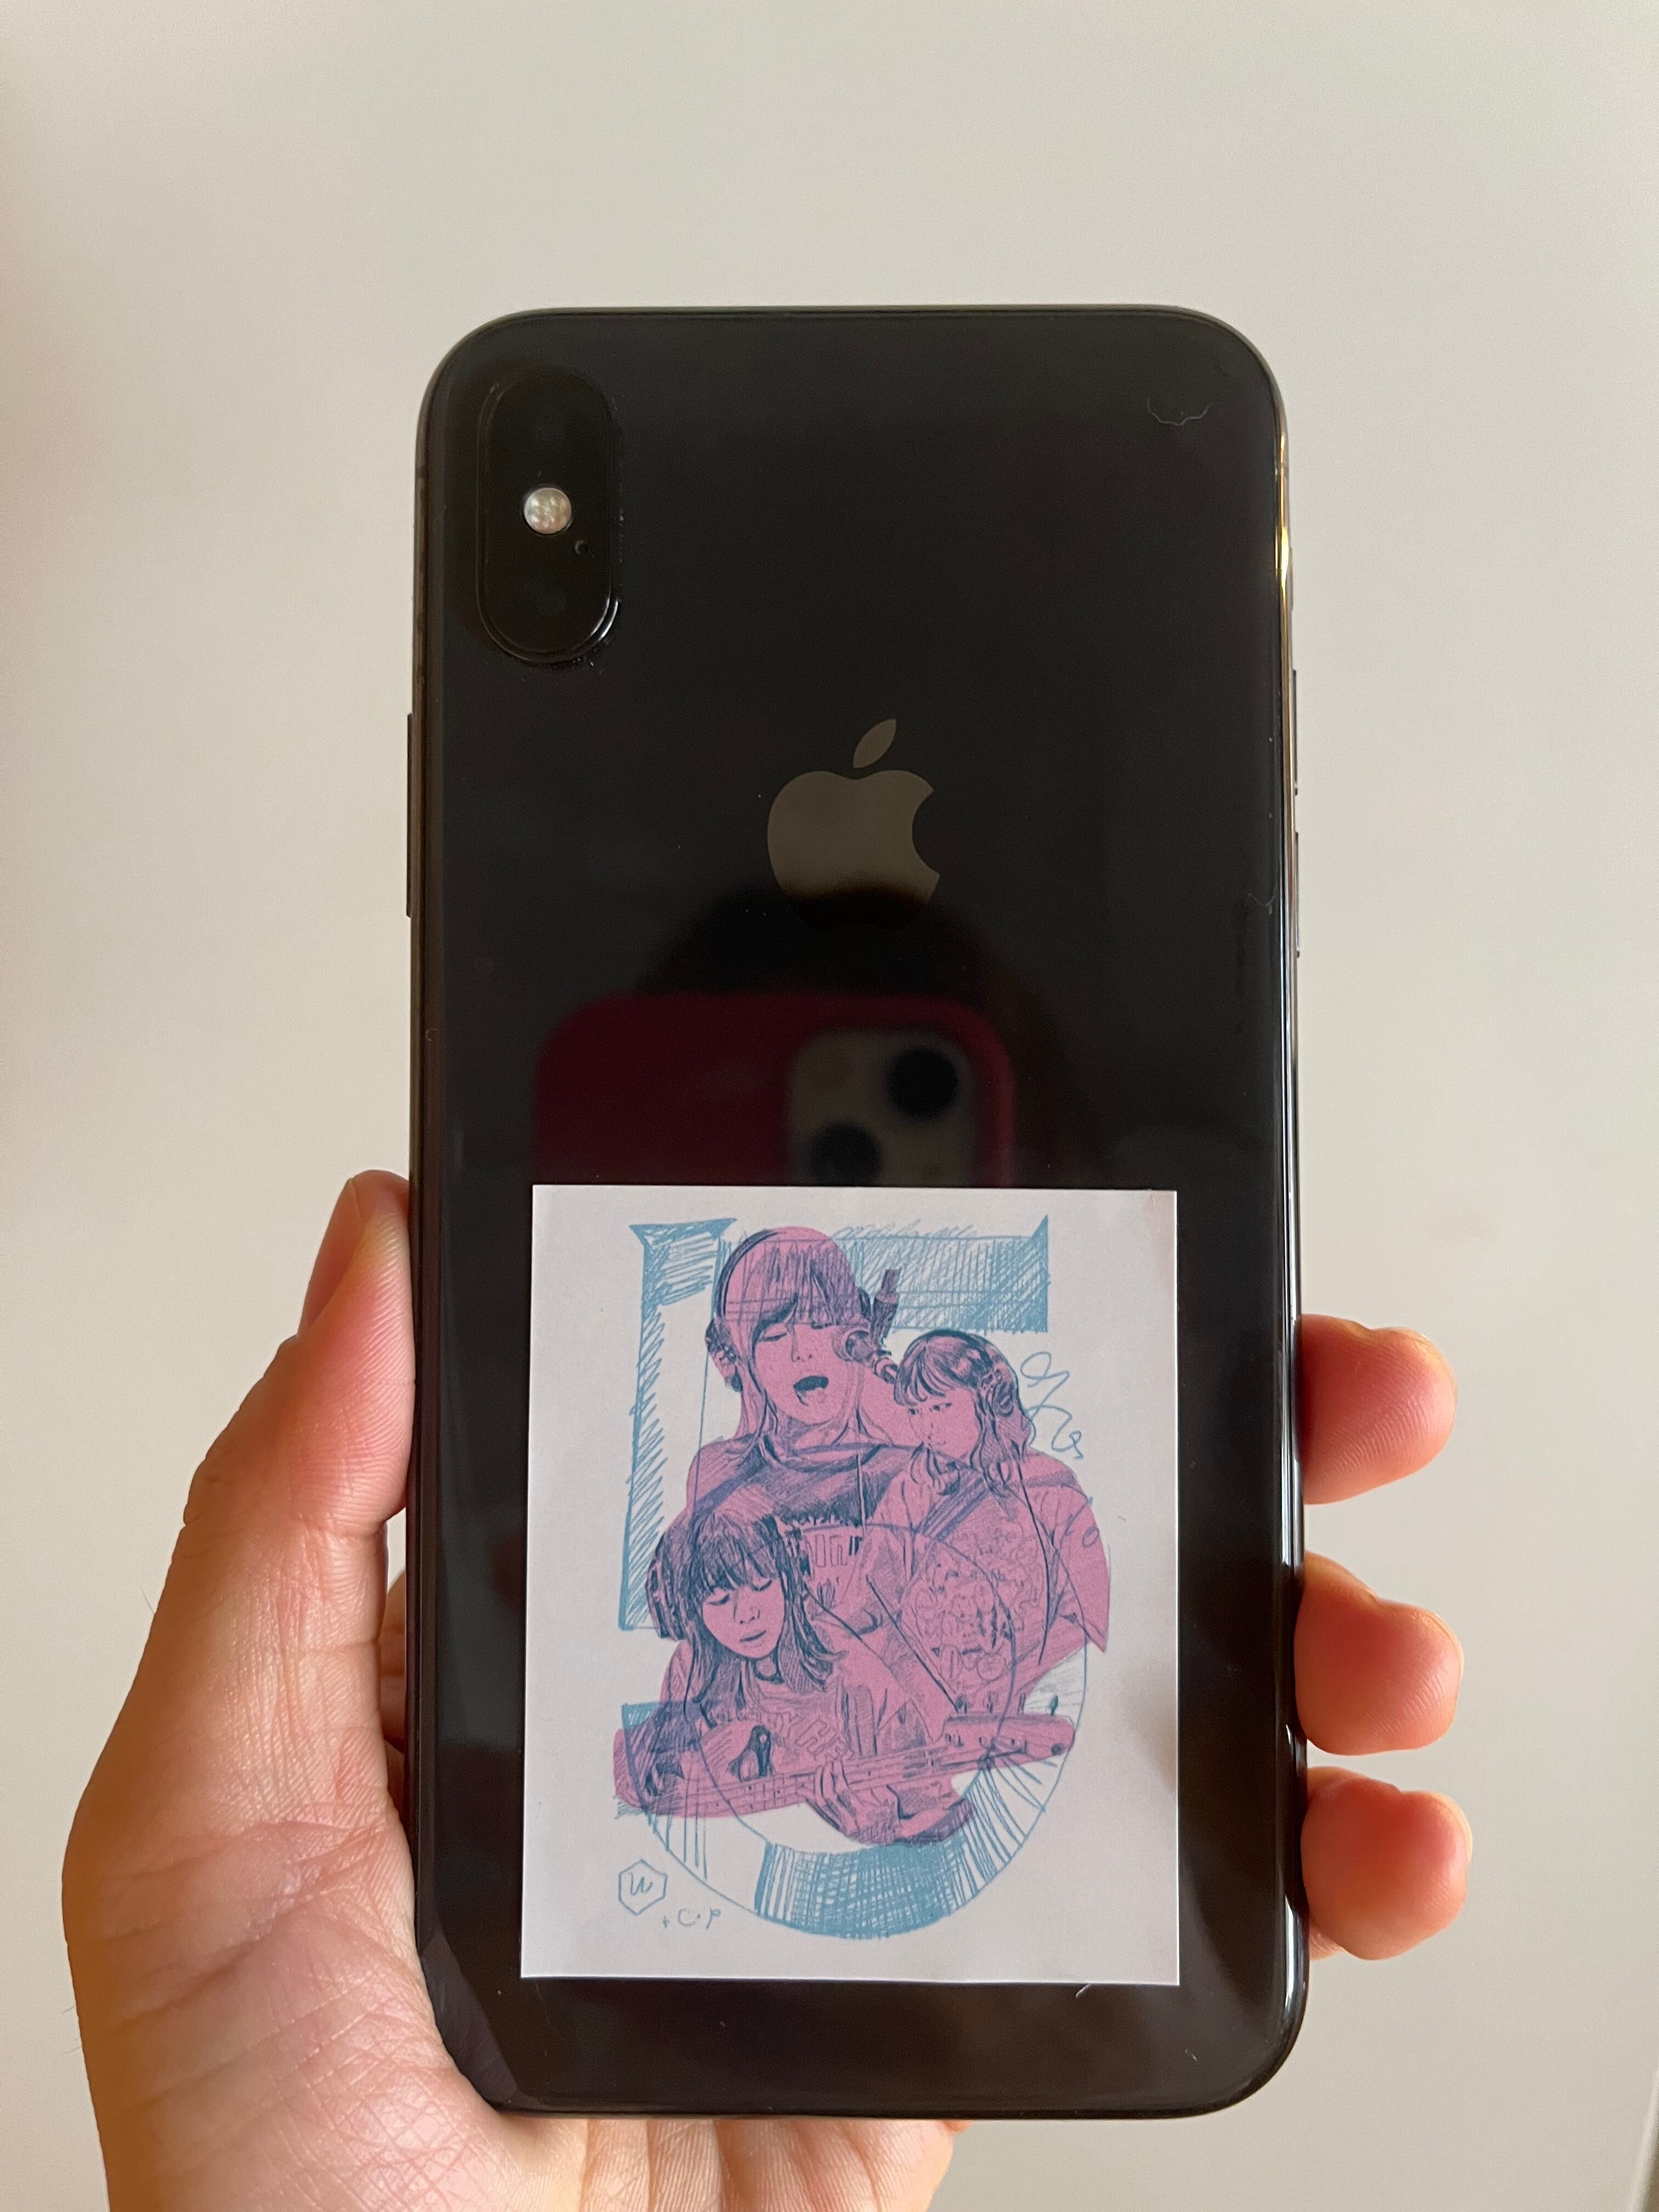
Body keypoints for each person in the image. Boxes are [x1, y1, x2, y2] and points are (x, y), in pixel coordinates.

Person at [64, 1173, 1472, 2212]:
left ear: (862, 1335)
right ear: (739, 1365)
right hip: (777, 1747)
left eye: (824, 1332)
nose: (805, 1364)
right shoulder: (724, 1482)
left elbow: (1000, 1568)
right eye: (770, 1342)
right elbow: (706, 1639)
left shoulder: (949, 1462)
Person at [617, 1509, 963, 1843]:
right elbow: (650, 1775)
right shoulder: (691, 1669)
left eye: (762, 1586)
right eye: (720, 1600)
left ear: (788, 1582)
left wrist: (882, 1830)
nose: (746, 1613)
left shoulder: (853, 1672)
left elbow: (937, 1811)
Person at [876, 1329, 1110, 1713]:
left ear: (984, 1401)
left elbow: (1086, 1614)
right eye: (916, 1412)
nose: (927, 1429)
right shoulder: (909, 1491)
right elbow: (875, 1605)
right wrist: (925, 1693)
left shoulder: (1050, 1486)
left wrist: (1015, 1681)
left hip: (1038, 1692)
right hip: (933, 1706)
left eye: (941, 1407)